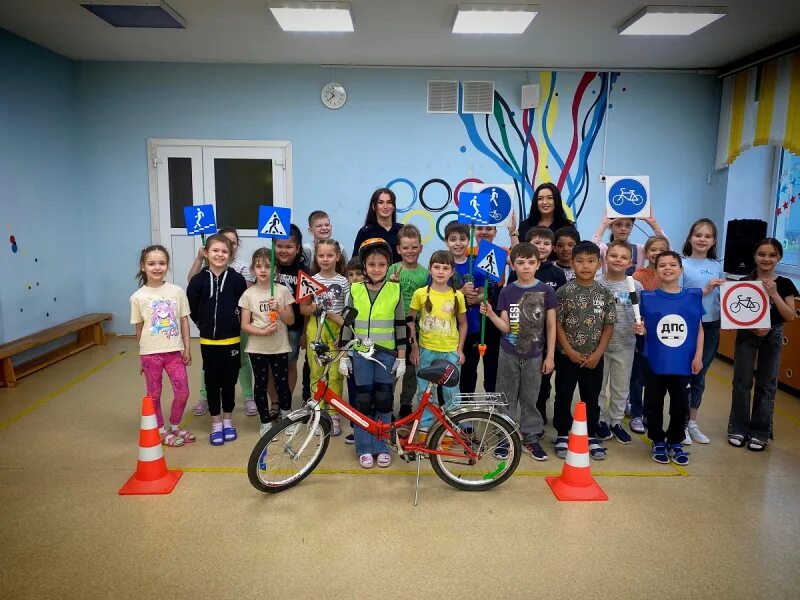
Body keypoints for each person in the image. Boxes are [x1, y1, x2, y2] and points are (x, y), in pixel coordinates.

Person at [481, 243, 556, 461]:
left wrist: (550, 355)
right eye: (520, 263)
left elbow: (551, 325)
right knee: (506, 396)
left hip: (535, 355)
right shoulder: (507, 291)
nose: (526, 267)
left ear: (538, 264)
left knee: (530, 397)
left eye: (531, 262)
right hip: (509, 354)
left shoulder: (546, 291)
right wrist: (491, 315)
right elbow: (505, 327)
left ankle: (530, 437)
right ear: (513, 265)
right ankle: (505, 436)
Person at [339, 239, 406, 468]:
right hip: (360, 355)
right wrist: (345, 356)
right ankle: (364, 447)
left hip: (386, 354)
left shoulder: (395, 290)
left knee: (384, 400)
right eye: (371, 264)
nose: (376, 268)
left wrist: (401, 356)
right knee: (363, 400)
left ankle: (381, 445)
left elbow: (400, 325)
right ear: (364, 266)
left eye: (381, 264)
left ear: (388, 265)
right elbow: (347, 326)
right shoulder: (354, 290)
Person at [728, 239, 798, 451]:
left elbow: (790, 316)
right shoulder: (745, 281)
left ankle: (760, 432)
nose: (766, 259)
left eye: (772, 255)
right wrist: (751, 327)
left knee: (767, 384)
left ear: (779, 258)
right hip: (747, 336)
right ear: (755, 256)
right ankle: (738, 428)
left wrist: (774, 293)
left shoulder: (785, 284)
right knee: (742, 382)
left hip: (773, 335)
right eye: (761, 254)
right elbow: (735, 313)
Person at [635, 251, 703, 466]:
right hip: (655, 360)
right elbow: (644, 328)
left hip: (683, 362)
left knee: (681, 404)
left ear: (680, 270)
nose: (667, 268)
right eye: (662, 265)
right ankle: (657, 440)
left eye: (672, 264)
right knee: (653, 403)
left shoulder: (693, 296)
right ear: (655, 271)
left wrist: (699, 355)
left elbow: (699, 329)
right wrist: (640, 329)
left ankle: (676, 441)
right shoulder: (648, 298)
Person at [553, 241, 616, 460]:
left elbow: (609, 325)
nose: (585, 266)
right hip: (566, 356)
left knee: (591, 396)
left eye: (591, 261)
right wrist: (569, 351)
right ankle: (562, 432)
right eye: (579, 261)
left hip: (594, 358)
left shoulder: (605, 293)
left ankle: (589, 434)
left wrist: (598, 354)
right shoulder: (563, 292)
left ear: (599, 264)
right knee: (563, 395)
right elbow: (557, 324)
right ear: (572, 263)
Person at [130, 245, 194, 447]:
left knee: (183, 392)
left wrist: (187, 348)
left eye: (162, 263)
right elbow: (139, 329)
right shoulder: (137, 297)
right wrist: (141, 357)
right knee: (154, 394)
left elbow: (184, 321)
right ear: (143, 267)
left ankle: (175, 426)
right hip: (150, 355)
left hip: (174, 353)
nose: (157, 267)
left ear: (167, 265)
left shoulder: (176, 291)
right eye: (151, 263)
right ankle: (159, 430)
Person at [187, 234, 248, 446]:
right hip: (208, 342)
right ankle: (216, 423)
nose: (219, 255)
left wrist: (233, 321)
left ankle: (228, 420)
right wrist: (203, 324)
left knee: (229, 382)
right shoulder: (198, 280)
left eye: (224, 251)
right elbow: (192, 306)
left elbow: (244, 305)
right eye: (215, 251)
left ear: (230, 254)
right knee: (212, 382)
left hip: (231, 340)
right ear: (206, 253)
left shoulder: (237, 279)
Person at [407, 250, 466, 434]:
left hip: (450, 351)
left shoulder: (458, 296)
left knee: (451, 392)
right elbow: (410, 321)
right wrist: (414, 347)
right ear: (430, 269)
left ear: (452, 272)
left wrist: (460, 349)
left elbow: (463, 323)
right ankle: (425, 425)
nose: (441, 271)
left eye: (445, 268)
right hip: (426, 350)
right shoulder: (420, 294)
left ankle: (450, 426)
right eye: (436, 267)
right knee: (425, 390)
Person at [238, 248, 295, 436]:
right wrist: (262, 332)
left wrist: (279, 308)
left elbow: (290, 320)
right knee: (260, 385)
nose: (263, 270)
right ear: (253, 270)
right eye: (259, 266)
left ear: (275, 270)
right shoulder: (248, 294)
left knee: (282, 383)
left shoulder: (282, 291)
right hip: (257, 347)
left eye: (268, 266)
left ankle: (287, 416)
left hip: (279, 346)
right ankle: (264, 421)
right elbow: (245, 325)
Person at [680, 218, 725, 445]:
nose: (702, 239)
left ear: (713, 241)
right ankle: (680, 422)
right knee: (684, 375)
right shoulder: (681, 263)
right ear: (690, 237)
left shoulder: (717, 265)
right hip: (688, 325)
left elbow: (722, 299)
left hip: (711, 326)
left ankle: (692, 421)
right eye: (698, 235)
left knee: (700, 375)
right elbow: (678, 296)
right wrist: (705, 290)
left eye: (707, 236)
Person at [300, 239, 350, 436]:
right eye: (321, 255)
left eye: (330, 255)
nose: (325, 259)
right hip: (316, 327)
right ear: (316, 257)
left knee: (336, 374)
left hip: (336, 327)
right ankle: (319, 414)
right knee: (317, 371)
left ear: (337, 257)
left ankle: (334, 414)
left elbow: (348, 311)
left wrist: (343, 334)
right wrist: (311, 308)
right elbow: (303, 308)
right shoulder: (310, 280)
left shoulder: (344, 281)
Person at [596, 240, 642, 444]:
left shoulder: (635, 286)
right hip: (599, 346)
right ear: (606, 257)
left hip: (625, 345)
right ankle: (599, 420)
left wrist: (642, 327)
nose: (618, 260)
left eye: (623, 257)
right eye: (614, 256)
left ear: (630, 262)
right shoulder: (597, 282)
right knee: (598, 386)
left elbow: (641, 315)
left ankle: (615, 421)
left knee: (620, 388)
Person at [518, 227, 566, 425]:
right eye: (537, 243)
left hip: (547, 336)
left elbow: (558, 308)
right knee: (524, 379)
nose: (542, 247)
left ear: (552, 247)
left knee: (543, 378)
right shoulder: (520, 272)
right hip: (524, 336)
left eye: (546, 243)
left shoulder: (557, 274)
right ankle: (525, 414)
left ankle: (538, 413)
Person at [386, 224, 429, 418]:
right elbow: (384, 297)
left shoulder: (425, 273)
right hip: (394, 326)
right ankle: (387, 403)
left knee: (412, 368)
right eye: (405, 247)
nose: (410, 251)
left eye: (414, 247)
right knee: (393, 365)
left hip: (416, 326)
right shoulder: (392, 270)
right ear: (398, 249)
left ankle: (405, 404)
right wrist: (392, 284)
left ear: (420, 247)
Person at [629, 234, 670, 433]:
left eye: (662, 250)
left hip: (663, 334)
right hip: (641, 332)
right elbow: (635, 306)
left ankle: (649, 412)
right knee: (637, 376)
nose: (657, 254)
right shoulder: (638, 277)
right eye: (653, 250)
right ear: (646, 252)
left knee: (656, 375)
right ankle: (636, 413)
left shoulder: (671, 275)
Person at [444, 220, 488, 394]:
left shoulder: (477, 264)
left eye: (462, 239)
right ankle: (446, 408)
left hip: (472, 327)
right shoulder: (441, 264)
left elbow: (484, 294)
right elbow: (435, 296)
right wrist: (461, 293)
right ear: (446, 242)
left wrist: (475, 298)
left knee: (469, 370)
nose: (458, 243)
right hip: (447, 329)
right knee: (447, 371)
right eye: (453, 239)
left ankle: (466, 407)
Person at [273, 224, 309, 409]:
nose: (283, 250)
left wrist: (304, 332)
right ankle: (274, 402)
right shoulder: (268, 268)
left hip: (293, 328)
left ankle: (285, 401)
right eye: (279, 246)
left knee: (289, 364)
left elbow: (306, 305)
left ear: (297, 248)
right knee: (272, 367)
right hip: (269, 326)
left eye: (289, 247)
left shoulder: (303, 271)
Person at [592, 215, 667, 274]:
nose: (623, 228)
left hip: (635, 292)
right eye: (618, 225)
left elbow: (667, 252)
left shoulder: (639, 249)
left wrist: (653, 223)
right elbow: (590, 253)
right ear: (611, 226)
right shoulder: (604, 248)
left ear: (631, 228)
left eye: (628, 225)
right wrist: (602, 226)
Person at [342, 256, 365, 445]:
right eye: (351, 275)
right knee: (354, 392)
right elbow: (346, 323)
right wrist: (344, 354)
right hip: (352, 352)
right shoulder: (350, 294)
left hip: (371, 351)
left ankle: (373, 426)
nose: (355, 278)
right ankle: (356, 428)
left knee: (370, 392)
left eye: (359, 273)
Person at [352, 188, 403, 264]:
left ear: (394, 206)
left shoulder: (402, 230)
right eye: (381, 202)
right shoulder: (365, 232)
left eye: (389, 202)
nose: (385, 206)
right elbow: (355, 262)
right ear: (373, 206)